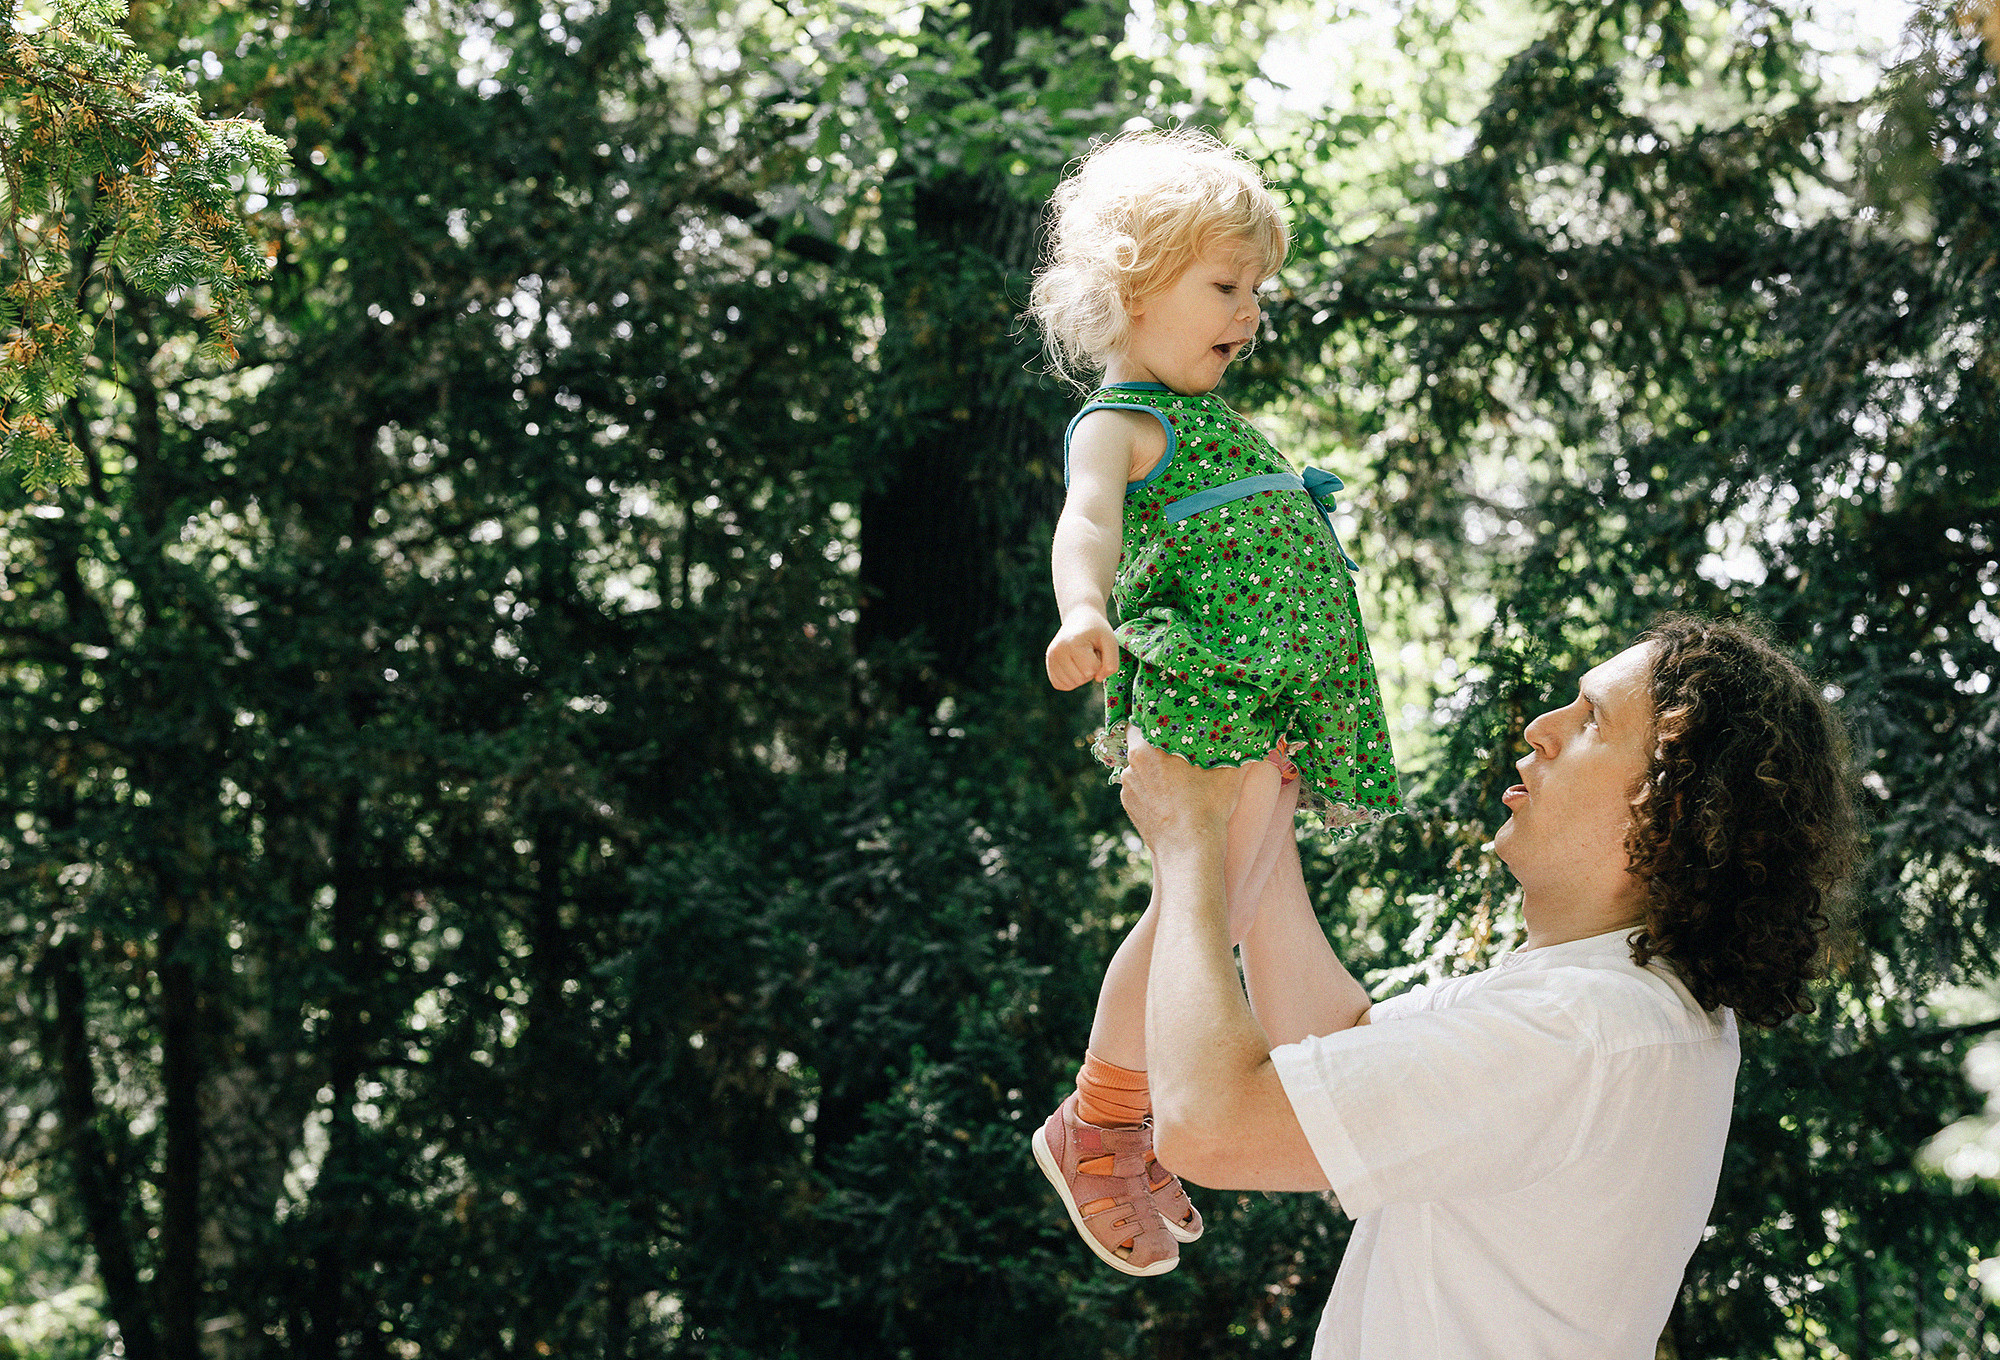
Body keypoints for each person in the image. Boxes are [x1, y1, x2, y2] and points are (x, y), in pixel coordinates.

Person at [1122, 613, 1858, 1358]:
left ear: (1671, 802)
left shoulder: (1581, 1029)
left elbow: (1210, 1126)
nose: (1541, 728)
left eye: (1591, 720)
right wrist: (1264, 812)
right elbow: (1338, 1041)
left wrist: (1188, 839)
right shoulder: (1612, 1001)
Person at [1025, 127, 1402, 1277]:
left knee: (1229, 916)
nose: (1249, 312)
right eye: (1225, 286)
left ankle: (1173, 1112)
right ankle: (1099, 1116)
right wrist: (1080, 610)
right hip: (1196, 692)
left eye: (1258, 291)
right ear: (1132, 286)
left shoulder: (1219, 420)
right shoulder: (1122, 419)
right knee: (1197, 911)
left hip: (1263, 703)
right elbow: (1085, 519)